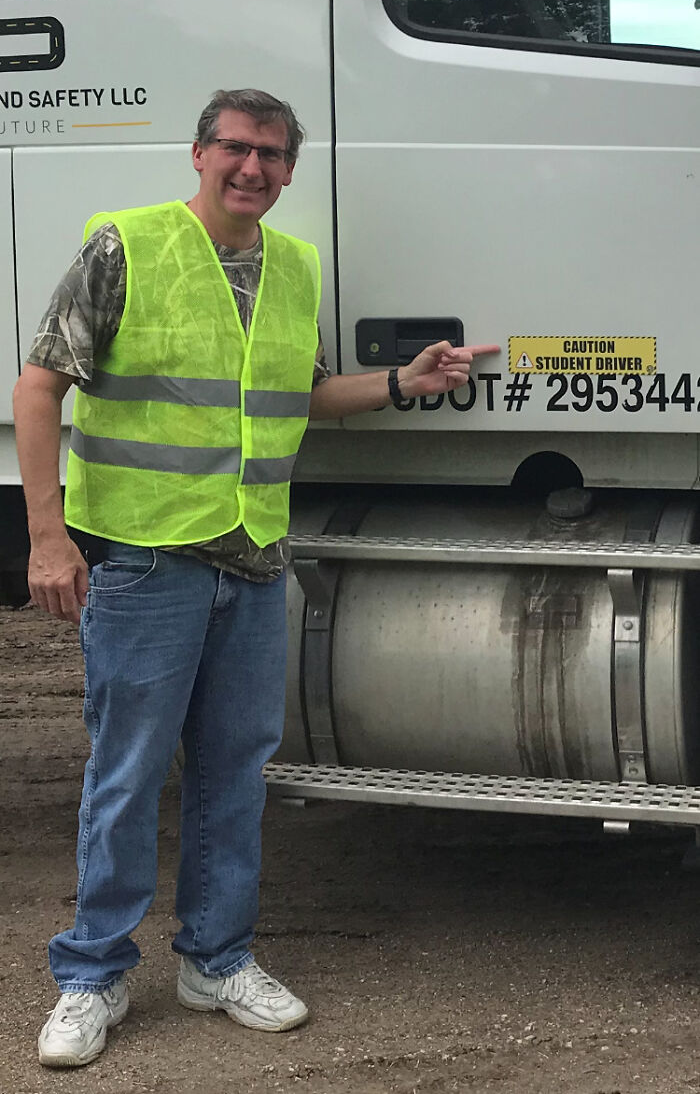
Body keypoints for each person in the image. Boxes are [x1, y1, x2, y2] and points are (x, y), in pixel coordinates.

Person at [12, 87, 500, 1068]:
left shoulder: (291, 268)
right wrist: (47, 537)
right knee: (127, 776)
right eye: (236, 149)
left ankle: (216, 959)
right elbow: (39, 383)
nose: (255, 170)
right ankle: (90, 975)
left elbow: (304, 395)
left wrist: (406, 381)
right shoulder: (128, 245)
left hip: (252, 557)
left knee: (235, 775)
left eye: (274, 157)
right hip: (148, 559)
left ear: (288, 170)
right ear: (198, 154)